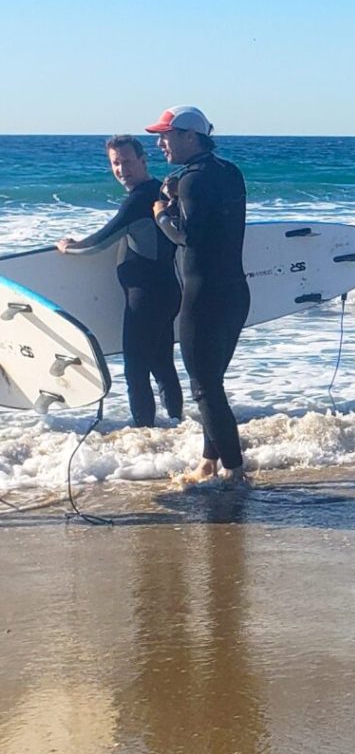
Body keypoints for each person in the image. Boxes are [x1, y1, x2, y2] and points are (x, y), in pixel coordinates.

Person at [146, 105, 250, 483]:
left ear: (190, 136)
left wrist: (161, 213)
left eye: (166, 136)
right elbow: (213, 221)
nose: (160, 144)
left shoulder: (191, 180)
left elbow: (187, 236)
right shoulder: (229, 172)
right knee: (212, 384)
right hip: (236, 293)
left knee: (204, 387)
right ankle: (209, 463)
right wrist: (179, 197)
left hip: (204, 296)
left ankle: (236, 474)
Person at [56, 135, 183, 427]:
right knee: (162, 365)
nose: (121, 169)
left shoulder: (138, 199)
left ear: (142, 160)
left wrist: (70, 246)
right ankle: (177, 425)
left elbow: (100, 242)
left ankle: (144, 431)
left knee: (136, 369)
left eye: (127, 161)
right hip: (167, 290)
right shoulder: (161, 191)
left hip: (146, 297)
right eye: (115, 163)